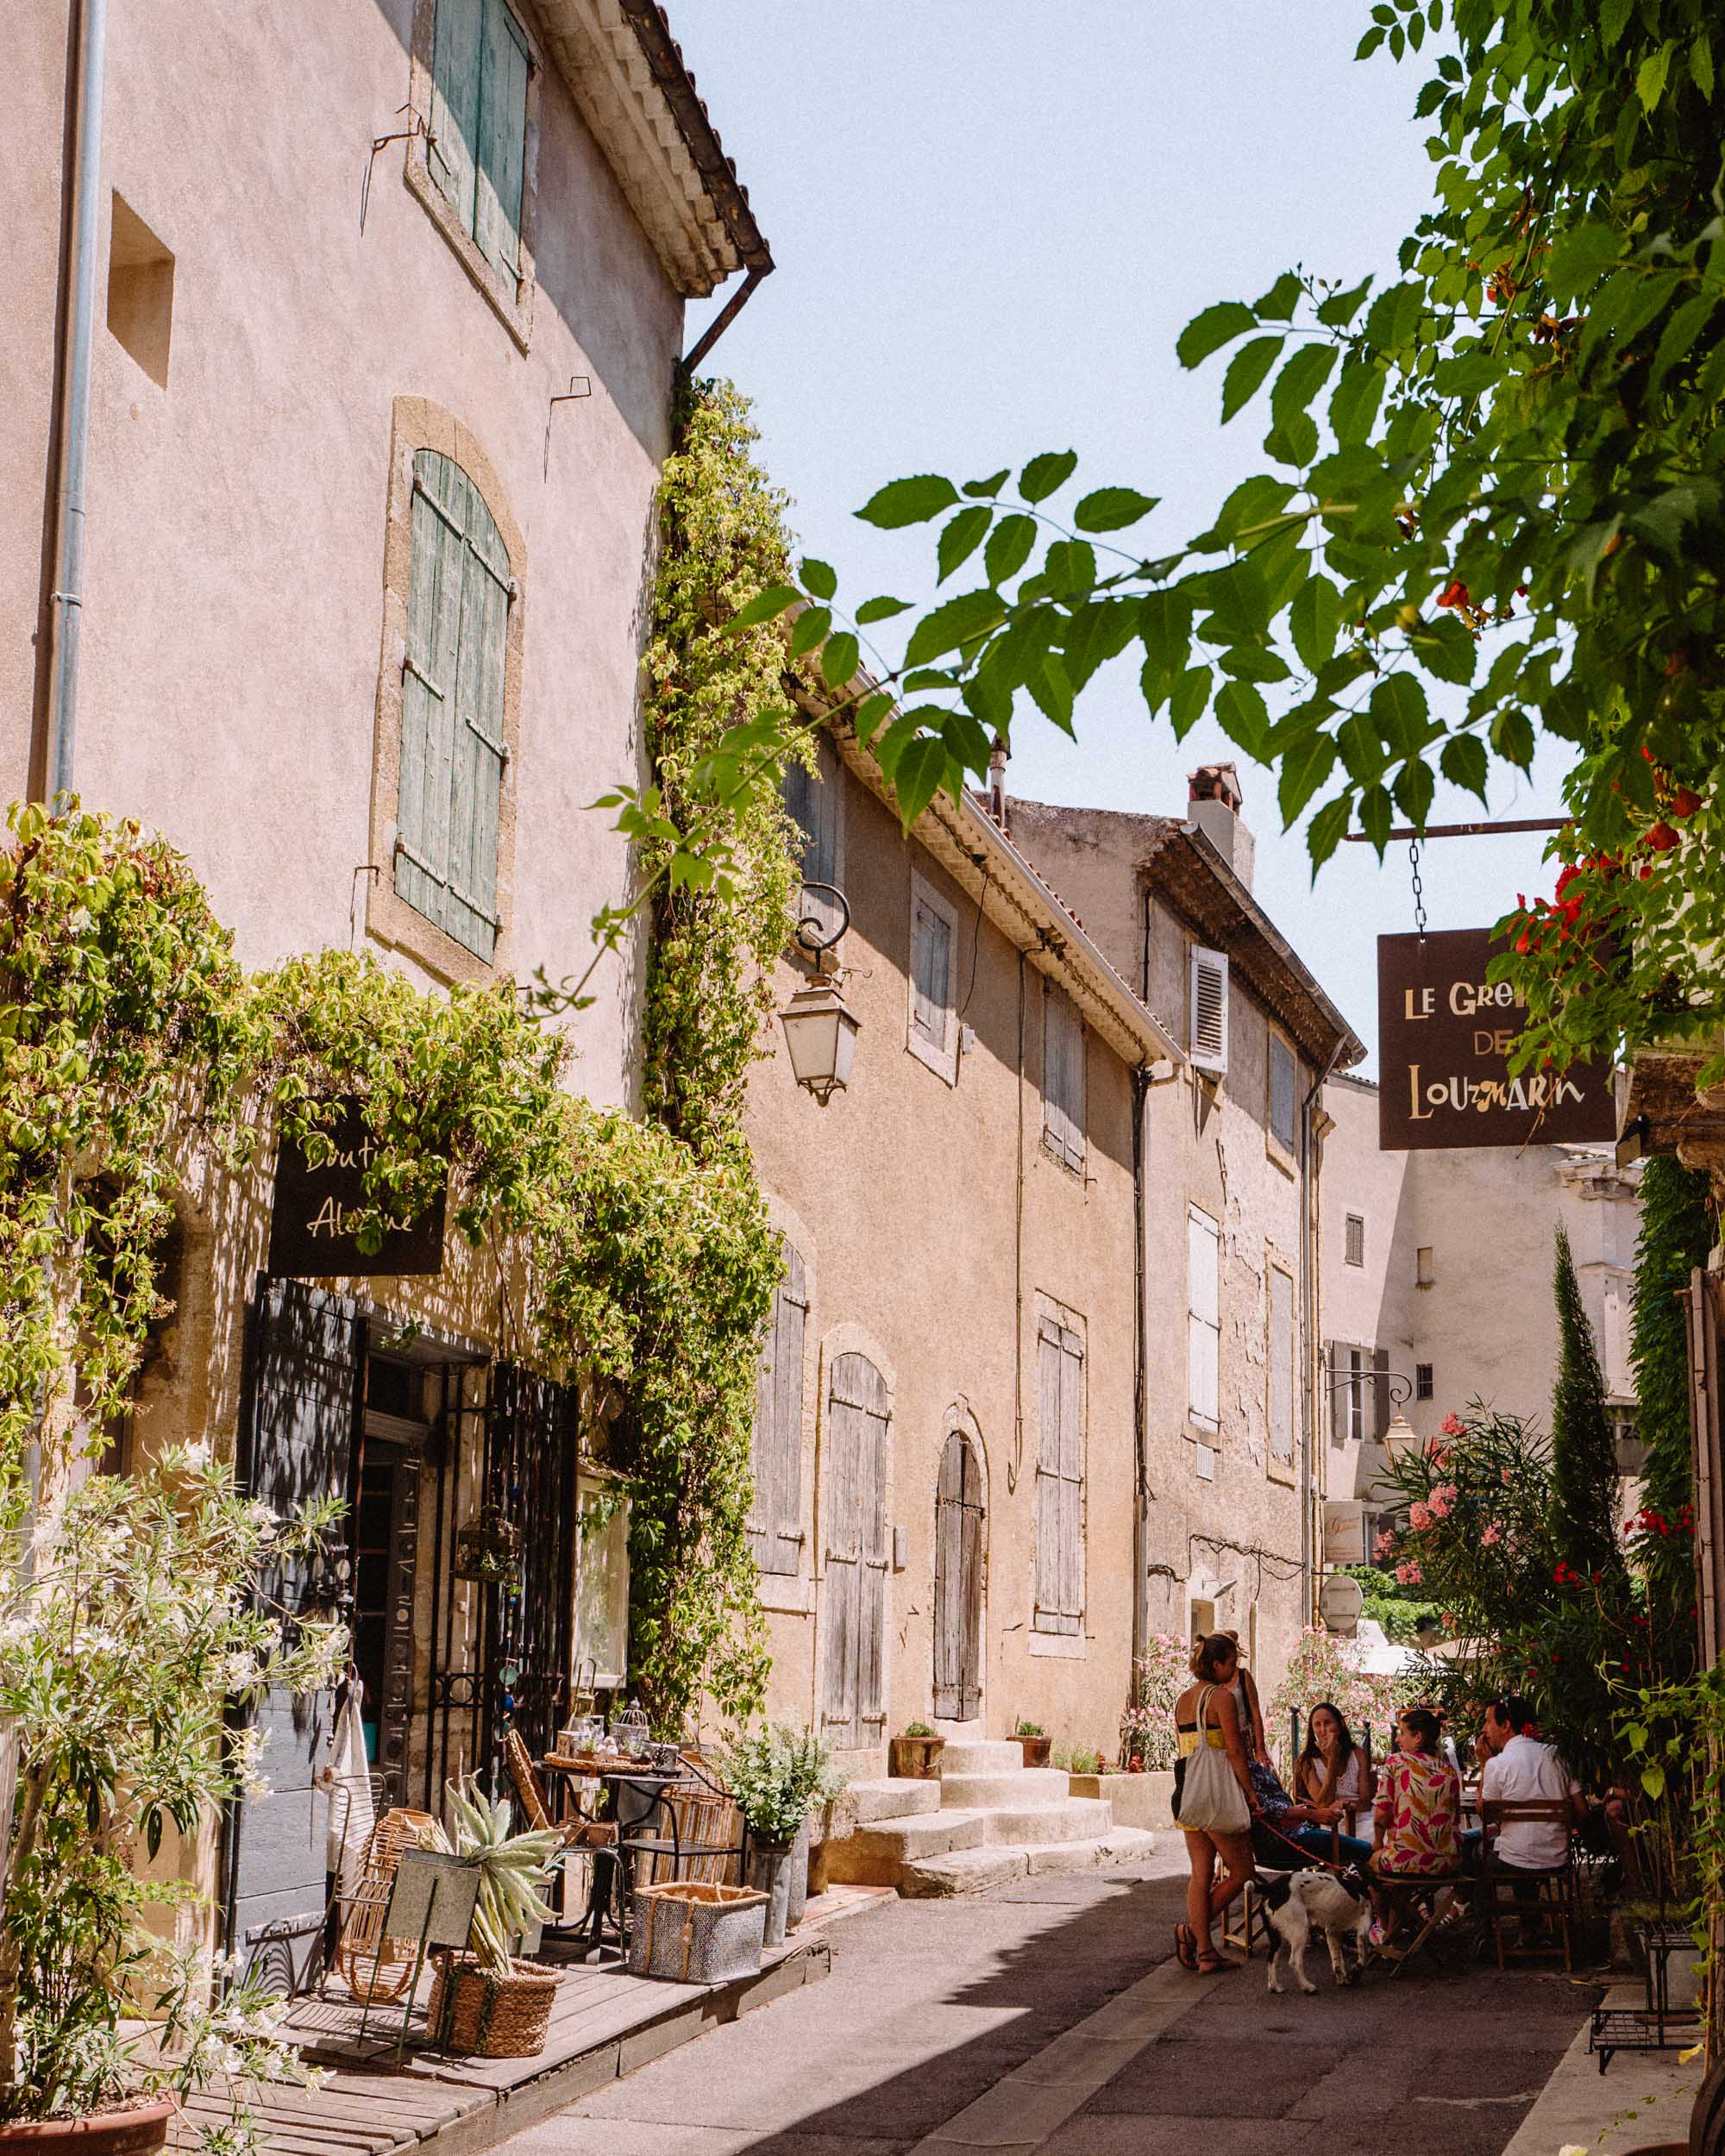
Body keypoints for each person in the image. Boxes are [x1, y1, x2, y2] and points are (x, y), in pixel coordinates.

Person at [1172, 1633, 1258, 1975]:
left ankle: (1205, 1952)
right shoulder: (1221, 1698)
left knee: (1201, 1874)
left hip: (1189, 1793)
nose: (1234, 1671)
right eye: (1232, 1663)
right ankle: (1193, 1934)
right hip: (1216, 1794)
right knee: (1242, 1871)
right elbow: (1235, 1751)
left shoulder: (1182, 1700)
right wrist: (1251, 1793)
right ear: (1217, 1664)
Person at [1478, 1696, 1585, 1871]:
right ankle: (1527, 1895)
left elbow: (1485, 1814)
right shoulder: (1558, 1755)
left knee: (1476, 1853)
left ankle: (1472, 1899)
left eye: (1488, 1722)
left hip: (1512, 1861)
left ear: (1505, 1726)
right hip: (1557, 1860)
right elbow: (1582, 1809)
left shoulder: (1496, 1764)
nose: (1484, 1730)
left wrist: (1483, 1763)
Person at [1371, 1707, 1462, 1878]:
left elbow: (1381, 1814)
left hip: (1404, 1862)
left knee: (1373, 1867)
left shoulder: (1396, 1762)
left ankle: (1398, 1905)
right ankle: (1419, 1903)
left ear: (1418, 1737)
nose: (1398, 1739)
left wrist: (1377, 1843)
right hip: (1447, 1863)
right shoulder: (1448, 1769)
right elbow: (1455, 1816)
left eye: (1403, 1733)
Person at [1247, 1754, 1374, 1871]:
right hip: (1283, 1839)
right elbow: (1262, 1807)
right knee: (1366, 1851)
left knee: (1368, 1849)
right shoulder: (1241, 1771)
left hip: (1297, 1829)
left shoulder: (1252, 1766)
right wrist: (1310, 1814)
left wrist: (1297, 1812)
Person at [1294, 1702, 1376, 1823]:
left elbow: (1366, 1802)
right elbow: (1323, 1804)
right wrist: (1333, 1758)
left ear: (1341, 1724)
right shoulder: (1307, 1761)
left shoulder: (1358, 1753)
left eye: (1327, 1723)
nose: (1322, 1730)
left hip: (1363, 1817)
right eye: (1317, 1725)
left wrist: (1348, 1805)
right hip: (1333, 1825)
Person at [1220, 1628, 1272, 1765]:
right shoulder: (1211, 1681)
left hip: (1243, 1743)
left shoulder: (1243, 1676)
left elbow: (1255, 1714)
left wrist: (1260, 1749)